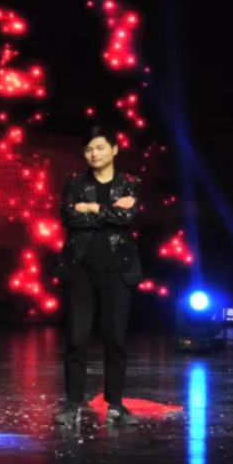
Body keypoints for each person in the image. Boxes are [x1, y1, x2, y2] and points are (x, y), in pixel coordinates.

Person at [54, 126, 144, 426]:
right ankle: (73, 405)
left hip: (117, 269)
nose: (94, 154)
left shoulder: (130, 182)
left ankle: (115, 405)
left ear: (115, 149)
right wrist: (108, 211)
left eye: (100, 147)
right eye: (89, 149)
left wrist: (91, 208)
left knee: (115, 339)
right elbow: (69, 217)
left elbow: (128, 218)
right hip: (80, 268)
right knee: (76, 339)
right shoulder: (75, 181)